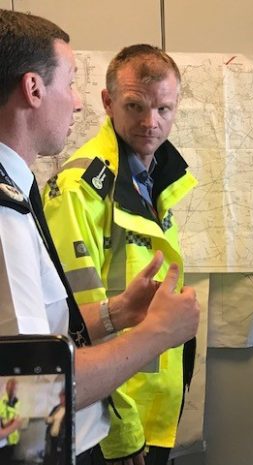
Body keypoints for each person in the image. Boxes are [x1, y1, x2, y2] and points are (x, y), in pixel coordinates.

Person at [0, 9, 200, 464]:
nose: (77, 102)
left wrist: (117, 313)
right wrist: (157, 333)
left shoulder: (19, 190)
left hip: (98, 420)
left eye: (164, 108)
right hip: (81, 433)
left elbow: (47, 334)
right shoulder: (8, 210)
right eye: (70, 83)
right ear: (33, 89)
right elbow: (27, 394)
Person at [0, 379, 21, 463]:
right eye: (10, 388)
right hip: (3, 437)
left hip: (12, 438)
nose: (12, 390)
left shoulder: (19, 403)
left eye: (15, 388)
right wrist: (13, 425)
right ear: (6, 388)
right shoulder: (1, 402)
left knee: (9, 459)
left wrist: (11, 423)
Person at [43, 389, 66, 465]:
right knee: (49, 456)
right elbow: (50, 419)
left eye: (62, 397)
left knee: (57, 458)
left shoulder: (69, 408)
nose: (61, 399)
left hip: (60, 439)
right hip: (51, 437)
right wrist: (48, 419)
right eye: (60, 397)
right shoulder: (56, 408)